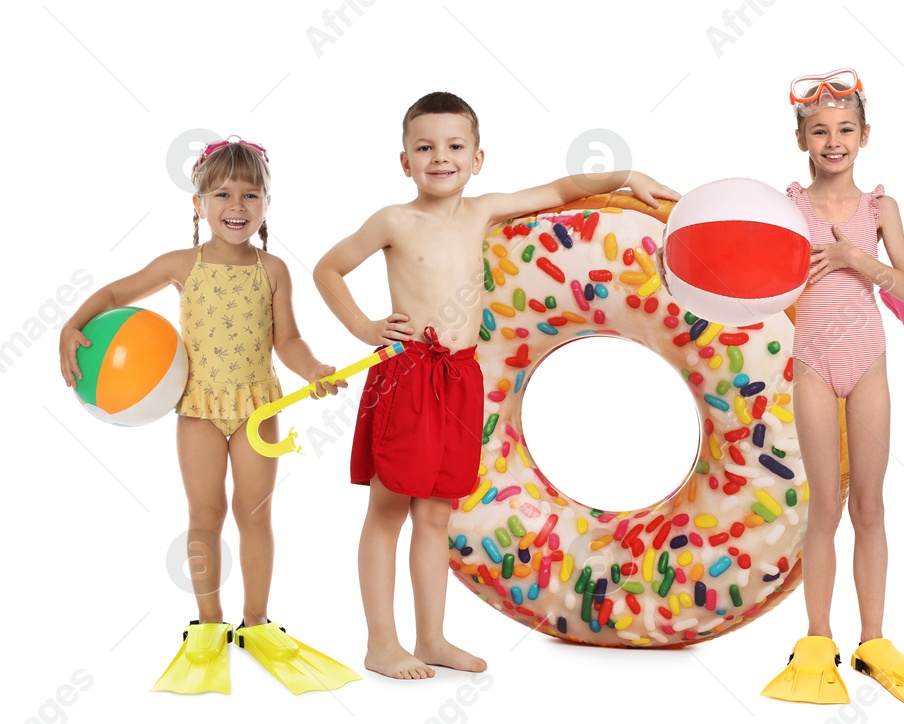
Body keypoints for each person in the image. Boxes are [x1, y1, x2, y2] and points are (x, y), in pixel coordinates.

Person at [313, 91, 677, 680]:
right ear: (404, 160)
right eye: (425, 147)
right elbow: (327, 267)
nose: (441, 157)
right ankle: (381, 642)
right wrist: (364, 327)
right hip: (406, 374)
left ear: (477, 157)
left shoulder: (482, 210)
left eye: (455, 146)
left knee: (435, 517)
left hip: (460, 378)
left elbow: (559, 192)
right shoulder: (392, 220)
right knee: (387, 511)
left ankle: (430, 637)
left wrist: (628, 175)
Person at [60, 137, 357, 695]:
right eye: (222, 193)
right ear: (198, 203)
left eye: (250, 193)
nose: (236, 204)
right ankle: (208, 623)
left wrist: (314, 368)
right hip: (197, 408)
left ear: (267, 202)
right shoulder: (181, 264)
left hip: (257, 407)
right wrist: (70, 325)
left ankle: (257, 623)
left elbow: (287, 340)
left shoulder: (274, 270)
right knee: (204, 514)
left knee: (255, 514)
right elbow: (116, 290)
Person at [760, 68, 904, 707]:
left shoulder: (881, 209)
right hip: (811, 364)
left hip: (870, 361)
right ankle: (818, 639)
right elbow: (766, 287)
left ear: (865, 135)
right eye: (820, 130)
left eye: (845, 129)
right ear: (802, 139)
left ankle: (874, 641)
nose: (834, 141)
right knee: (825, 505)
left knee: (872, 506)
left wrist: (858, 258)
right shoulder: (789, 206)